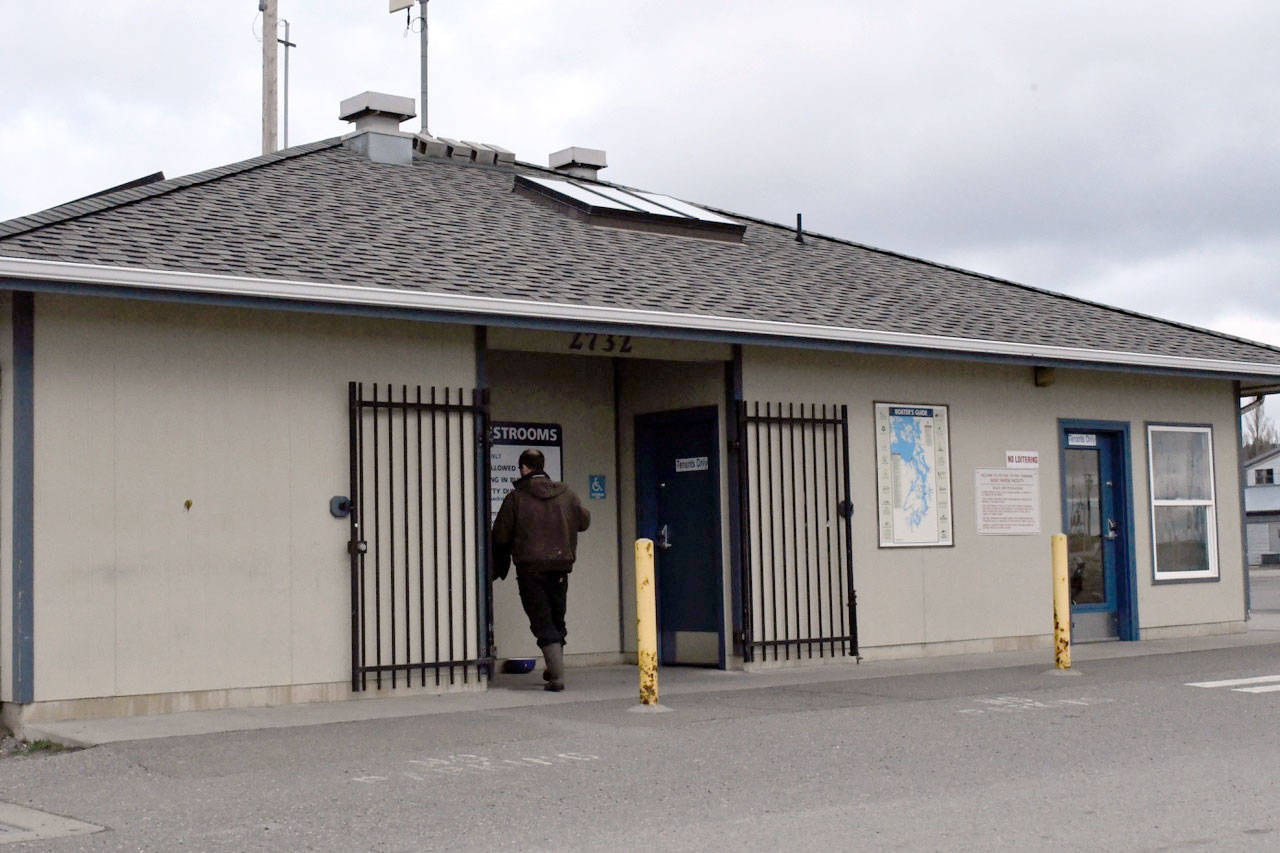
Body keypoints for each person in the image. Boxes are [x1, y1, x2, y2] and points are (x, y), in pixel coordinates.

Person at [491, 449, 590, 691]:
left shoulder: (516, 498)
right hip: (560, 566)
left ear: (524, 467)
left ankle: (556, 677)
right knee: (557, 617)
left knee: (542, 619)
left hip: (530, 568)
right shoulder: (566, 494)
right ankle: (553, 667)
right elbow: (584, 521)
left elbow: (500, 535)